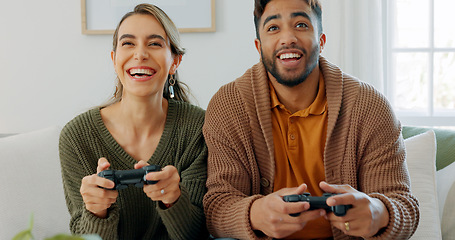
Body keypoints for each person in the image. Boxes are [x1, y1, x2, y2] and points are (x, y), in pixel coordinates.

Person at [202, 0, 419, 239]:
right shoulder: (228, 106)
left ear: (321, 41)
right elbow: (217, 207)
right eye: (273, 28)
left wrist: (378, 213)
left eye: (301, 24)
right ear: (258, 46)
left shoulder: (370, 106)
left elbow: (404, 204)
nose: (288, 38)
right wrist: (254, 212)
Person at [59, 4, 208, 239]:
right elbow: (82, 235)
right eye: (128, 43)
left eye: (155, 43)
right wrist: (97, 212)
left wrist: (173, 200)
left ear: (175, 62)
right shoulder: (76, 137)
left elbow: (198, 233)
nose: (140, 54)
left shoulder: (199, 127)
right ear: (114, 58)